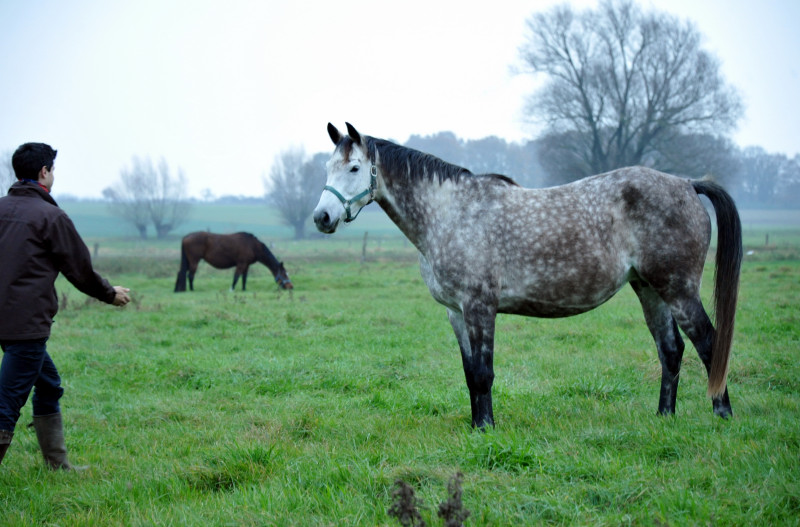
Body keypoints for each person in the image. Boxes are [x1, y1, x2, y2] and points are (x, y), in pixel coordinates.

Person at [0, 142, 130, 470]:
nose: (53, 174)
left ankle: (58, 466)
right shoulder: (51, 216)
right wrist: (108, 293)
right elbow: (79, 268)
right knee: (6, 405)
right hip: (26, 324)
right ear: (44, 172)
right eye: (52, 169)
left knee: (48, 383)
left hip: (7, 320)